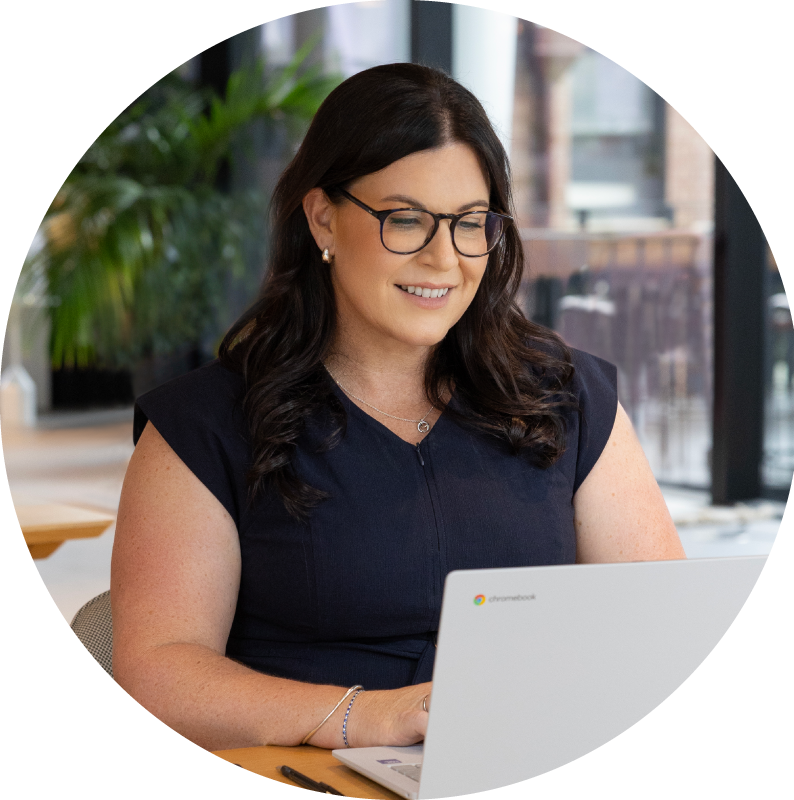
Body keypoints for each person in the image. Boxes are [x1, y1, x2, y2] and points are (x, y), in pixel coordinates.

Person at [111, 63, 686, 754]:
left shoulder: (569, 397)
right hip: (314, 772)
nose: (445, 258)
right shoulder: (205, 425)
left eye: (471, 224)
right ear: (323, 216)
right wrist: (365, 716)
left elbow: (661, 633)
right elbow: (157, 673)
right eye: (405, 220)